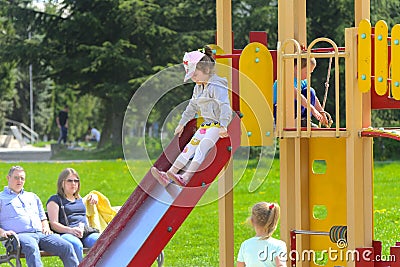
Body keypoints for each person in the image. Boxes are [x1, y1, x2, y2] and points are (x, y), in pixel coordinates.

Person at [151, 45, 231, 187]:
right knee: (189, 148)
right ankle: (169, 174)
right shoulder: (198, 87)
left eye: (195, 75)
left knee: (202, 148)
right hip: (206, 125)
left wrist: (224, 125)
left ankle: (186, 176)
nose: (193, 78)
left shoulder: (216, 86)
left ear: (206, 70)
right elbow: (191, 107)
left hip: (217, 126)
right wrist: (182, 123)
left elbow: (224, 105)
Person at [0, 166, 79, 267]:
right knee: (31, 246)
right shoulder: (1, 198)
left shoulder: (32, 196)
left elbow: (42, 217)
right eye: (16, 177)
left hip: (41, 234)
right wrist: (3, 232)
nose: (19, 181)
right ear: (8, 178)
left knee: (66, 246)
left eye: (22, 178)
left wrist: (45, 226)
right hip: (18, 236)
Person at [46, 168, 100, 263]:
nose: (73, 183)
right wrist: (71, 230)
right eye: (70, 181)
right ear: (62, 183)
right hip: (66, 233)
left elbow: (91, 200)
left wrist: (94, 196)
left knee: (101, 241)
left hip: (85, 232)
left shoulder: (79, 199)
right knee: (76, 245)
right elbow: (54, 224)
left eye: (76, 181)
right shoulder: (55, 200)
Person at [273, 57, 328, 127]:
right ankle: (291, 121)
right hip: (281, 111)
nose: (309, 75)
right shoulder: (286, 79)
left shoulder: (303, 81)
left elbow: (314, 98)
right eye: (307, 72)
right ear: (297, 68)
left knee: (310, 91)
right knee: (300, 99)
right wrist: (312, 109)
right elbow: (297, 96)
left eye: (310, 73)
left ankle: (304, 121)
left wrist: (321, 112)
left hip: (295, 109)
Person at [237, 202, 287, 267]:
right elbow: (281, 265)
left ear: (252, 221)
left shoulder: (245, 245)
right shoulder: (279, 245)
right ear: (272, 221)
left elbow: (240, 265)